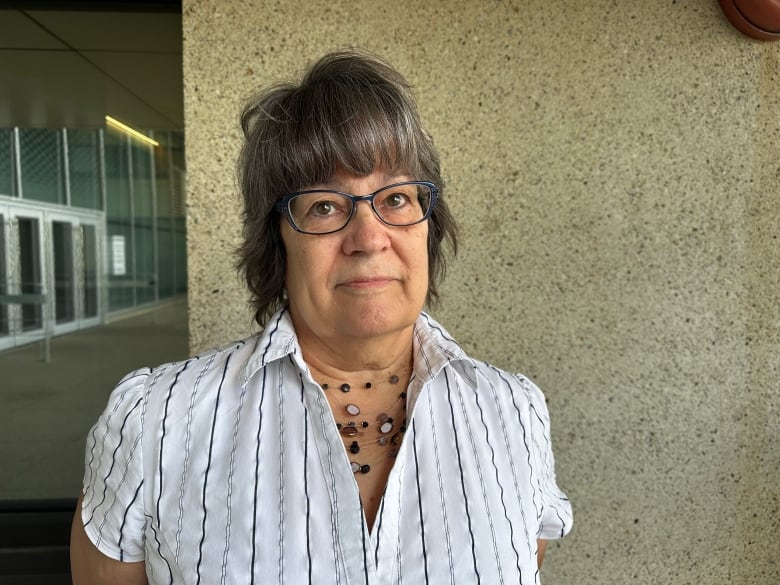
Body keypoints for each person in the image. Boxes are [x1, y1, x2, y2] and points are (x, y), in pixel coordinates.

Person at [70, 49, 572, 585]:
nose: (369, 238)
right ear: (277, 243)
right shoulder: (155, 423)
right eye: (325, 206)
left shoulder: (513, 413)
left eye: (397, 198)